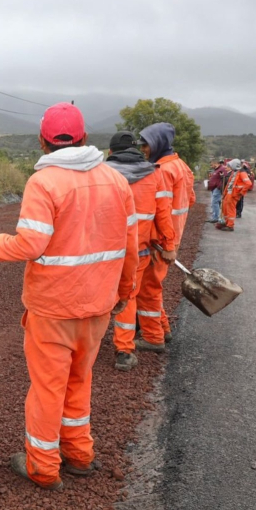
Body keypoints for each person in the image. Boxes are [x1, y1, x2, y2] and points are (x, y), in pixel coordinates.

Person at [0, 103, 138, 491]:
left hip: (53, 310)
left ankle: (42, 465)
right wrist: (124, 293)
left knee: (47, 389)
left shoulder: (44, 183)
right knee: (80, 380)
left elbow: (30, 243)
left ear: (43, 141)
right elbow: (130, 245)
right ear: (84, 138)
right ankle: (79, 455)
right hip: (98, 308)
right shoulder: (116, 181)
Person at [104, 131, 176, 372]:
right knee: (130, 295)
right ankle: (124, 350)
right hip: (139, 251)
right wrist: (168, 245)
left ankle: (80, 347)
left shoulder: (101, 175)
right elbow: (163, 214)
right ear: (137, 150)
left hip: (103, 252)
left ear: (111, 152)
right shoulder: (155, 174)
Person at [134, 123, 195, 348]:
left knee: (148, 290)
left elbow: (160, 211)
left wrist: (166, 243)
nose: (143, 149)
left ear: (158, 142)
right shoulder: (182, 167)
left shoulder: (161, 170)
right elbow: (191, 200)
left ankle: (153, 338)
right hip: (171, 236)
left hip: (160, 241)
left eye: (146, 144)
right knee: (153, 287)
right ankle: (163, 329)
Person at [217, 158, 252, 231]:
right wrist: (224, 193)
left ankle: (230, 226)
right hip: (229, 194)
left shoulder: (242, 172)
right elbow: (229, 184)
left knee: (230, 209)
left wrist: (241, 193)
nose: (229, 166)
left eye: (230, 165)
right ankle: (227, 223)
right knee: (225, 208)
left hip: (234, 194)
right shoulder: (235, 172)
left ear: (234, 165)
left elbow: (248, 184)